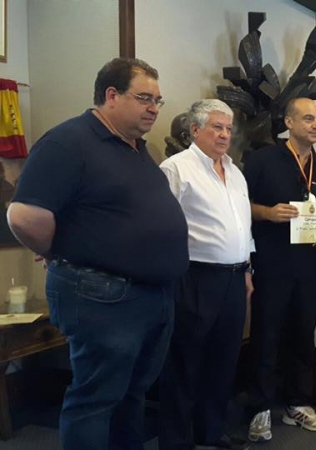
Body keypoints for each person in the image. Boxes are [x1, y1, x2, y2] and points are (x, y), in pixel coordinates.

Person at [6, 57, 188, 450]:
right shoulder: (68, 142)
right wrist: (59, 249)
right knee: (96, 400)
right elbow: (22, 215)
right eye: (144, 98)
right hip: (102, 295)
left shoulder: (136, 149)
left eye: (158, 99)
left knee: (131, 396)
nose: (155, 107)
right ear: (111, 95)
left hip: (151, 296)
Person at [157, 99, 253, 450]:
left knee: (223, 360)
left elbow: (243, 226)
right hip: (193, 278)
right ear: (194, 130)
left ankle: (210, 434)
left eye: (228, 128)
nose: (225, 134)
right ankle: (177, 442)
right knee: (185, 363)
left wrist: (247, 268)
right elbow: (161, 228)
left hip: (234, 278)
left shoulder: (236, 171)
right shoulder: (176, 169)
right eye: (216, 126)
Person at [243, 97, 316, 441]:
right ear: (289, 123)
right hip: (271, 262)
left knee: (303, 335)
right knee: (266, 335)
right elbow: (237, 205)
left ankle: (299, 402)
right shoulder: (262, 160)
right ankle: (260, 408)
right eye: (308, 119)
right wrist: (268, 213)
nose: (315, 125)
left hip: (311, 265)